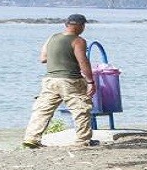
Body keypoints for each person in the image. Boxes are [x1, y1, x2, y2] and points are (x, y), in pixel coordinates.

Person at [22, 14, 98, 148]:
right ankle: (83, 140)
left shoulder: (52, 37)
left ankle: (31, 138)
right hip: (70, 80)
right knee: (80, 109)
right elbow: (83, 62)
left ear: (67, 24)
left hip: (50, 80)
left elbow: (43, 58)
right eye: (84, 26)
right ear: (80, 26)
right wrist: (90, 81)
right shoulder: (78, 41)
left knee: (43, 109)